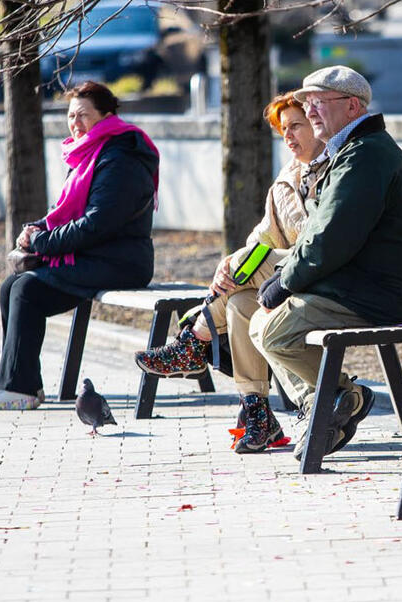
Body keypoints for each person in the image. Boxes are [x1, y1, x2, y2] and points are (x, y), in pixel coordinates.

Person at [133, 91, 329, 453]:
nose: (288, 135)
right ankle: (258, 415)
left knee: (242, 266)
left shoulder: (336, 170)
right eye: (283, 129)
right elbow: (264, 236)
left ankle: (192, 342)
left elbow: (321, 246)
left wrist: (240, 263)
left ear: (318, 125)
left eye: (296, 125)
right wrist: (231, 262)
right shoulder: (285, 181)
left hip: (322, 275)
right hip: (287, 283)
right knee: (239, 303)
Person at [248, 65, 402, 458]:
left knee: (274, 330)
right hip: (351, 285)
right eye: (307, 102)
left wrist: (286, 282)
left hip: (373, 293)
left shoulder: (366, 155)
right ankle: (330, 402)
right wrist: (283, 276)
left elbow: (331, 237)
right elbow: (315, 233)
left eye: (318, 102)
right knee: (259, 321)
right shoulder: (347, 152)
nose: (309, 110)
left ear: (352, 106)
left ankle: (344, 398)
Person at [0, 81, 159, 411]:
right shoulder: (92, 153)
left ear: (107, 117)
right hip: (96, 256)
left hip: (121, 262)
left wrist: (41, 242)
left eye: (83, 115)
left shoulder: (121, 159)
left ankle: (17, 387)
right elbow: (68, 214)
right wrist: (37, 229)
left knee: (26, 289)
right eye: (71, 116)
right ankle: (24, 384)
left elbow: (97, 223)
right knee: (11, 286)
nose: (75, 123)